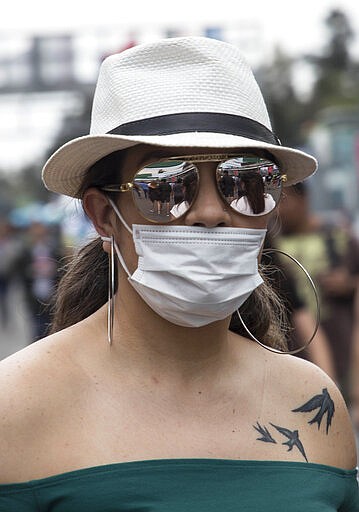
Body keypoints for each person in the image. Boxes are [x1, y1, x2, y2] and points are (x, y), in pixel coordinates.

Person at [0, 37, 357, 511]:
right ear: (103, 216)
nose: (211, 212)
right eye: (167, 185)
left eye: (245, 181)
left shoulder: (314, 403)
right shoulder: (16, 407)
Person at [276, 182, 359, 402]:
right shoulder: (271, 245)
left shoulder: (338, 237)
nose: (279, 209)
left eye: (284, 200)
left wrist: (348, 284)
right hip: (294, 354)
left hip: (341, 345)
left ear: (304, 199)